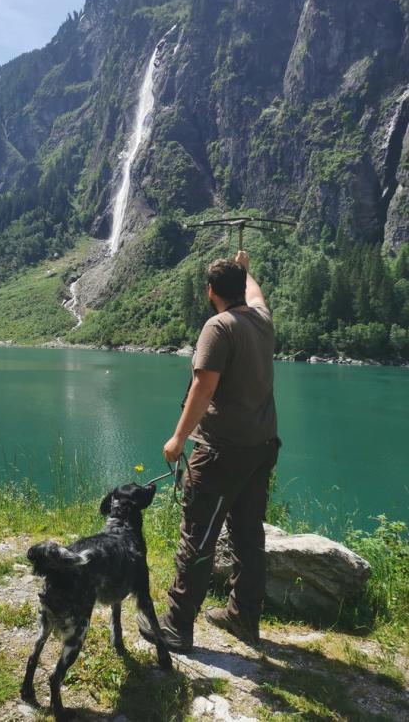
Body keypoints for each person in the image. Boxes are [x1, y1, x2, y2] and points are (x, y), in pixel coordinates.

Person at [137, 250, 280, 652]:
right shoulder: (261, 320)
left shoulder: (218, 327)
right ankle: (244, 616)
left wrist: (178, 438)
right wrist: (247, 271)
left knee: (197, 536)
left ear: (211, 291)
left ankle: (177, 626)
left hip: (221, 452)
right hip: (261, 447)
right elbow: (257, 295)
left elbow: (204, 387)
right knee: (248, 536)